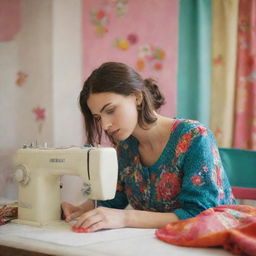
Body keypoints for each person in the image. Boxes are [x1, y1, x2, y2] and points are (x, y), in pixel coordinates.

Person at [62, 62, 236, 232]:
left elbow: (200, 215)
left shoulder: (195, 138)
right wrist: (82, 208)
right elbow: (116, 199)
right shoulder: (126, 146)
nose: (105, 125)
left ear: (137, 97)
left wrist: (125, 218)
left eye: (110, 110)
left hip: (216, 243)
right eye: (98, 118)